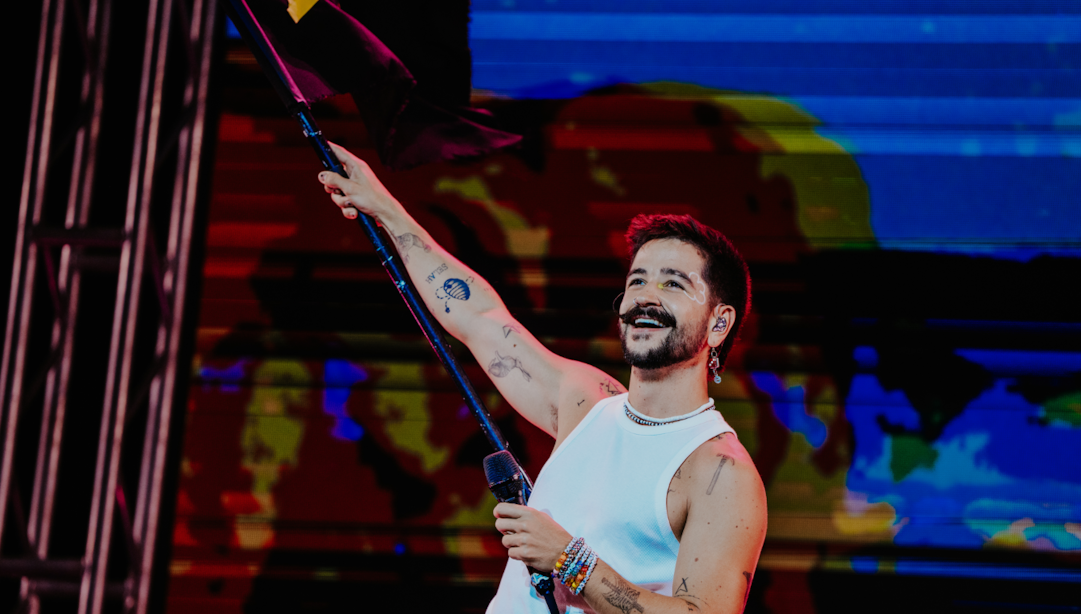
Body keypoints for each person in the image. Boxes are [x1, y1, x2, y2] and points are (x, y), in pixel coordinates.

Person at [319, 143, 766, 614]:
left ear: (719, 323)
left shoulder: (721, 472)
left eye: (673, 284)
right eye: (637, 280)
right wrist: (385, 209)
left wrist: (570, 560)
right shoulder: (586, 403)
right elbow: (481, 318)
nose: (645, 297)